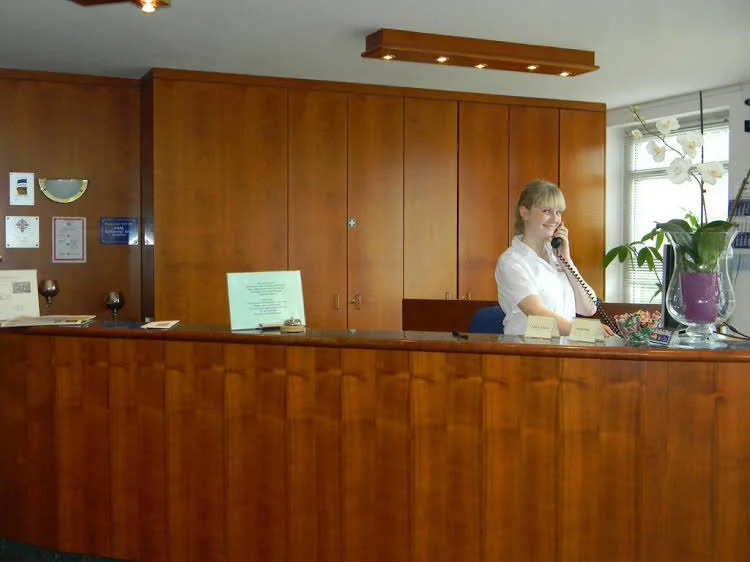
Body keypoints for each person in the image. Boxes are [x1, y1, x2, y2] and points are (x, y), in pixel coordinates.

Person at [495, 179, 606, 336]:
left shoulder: (556, 256)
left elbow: (589, 309)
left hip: (564, 345)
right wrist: (587, 332)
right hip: (528, 347)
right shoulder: (511, 262)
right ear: (524, 212)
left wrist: (566, 260)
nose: (555, 220)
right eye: (547, 211)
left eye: (558, 212)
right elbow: (537, 313)